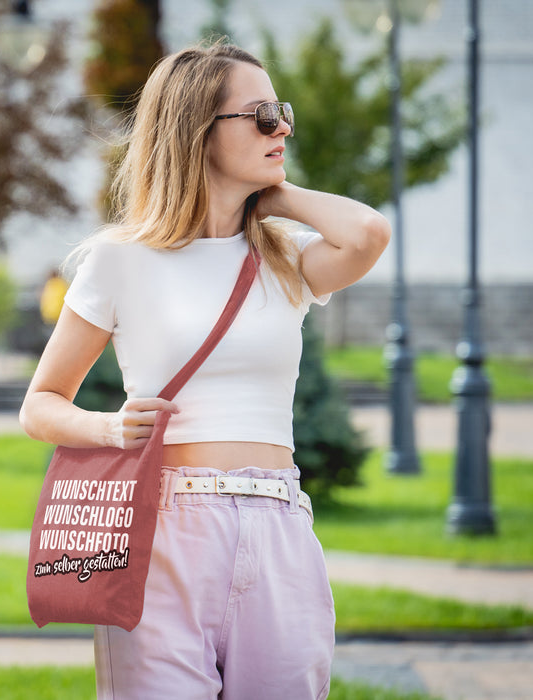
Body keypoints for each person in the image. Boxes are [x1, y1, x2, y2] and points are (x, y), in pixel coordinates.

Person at [20, 43, 390, 700]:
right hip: (161, 526)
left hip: (278, 522)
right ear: (197, 130)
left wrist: (276, 197)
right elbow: (41, 403)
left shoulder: (285, 258)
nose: (284, 128)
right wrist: (110, 429)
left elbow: (368, 235)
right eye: (261, 115)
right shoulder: (119, 260)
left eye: (282, 112)